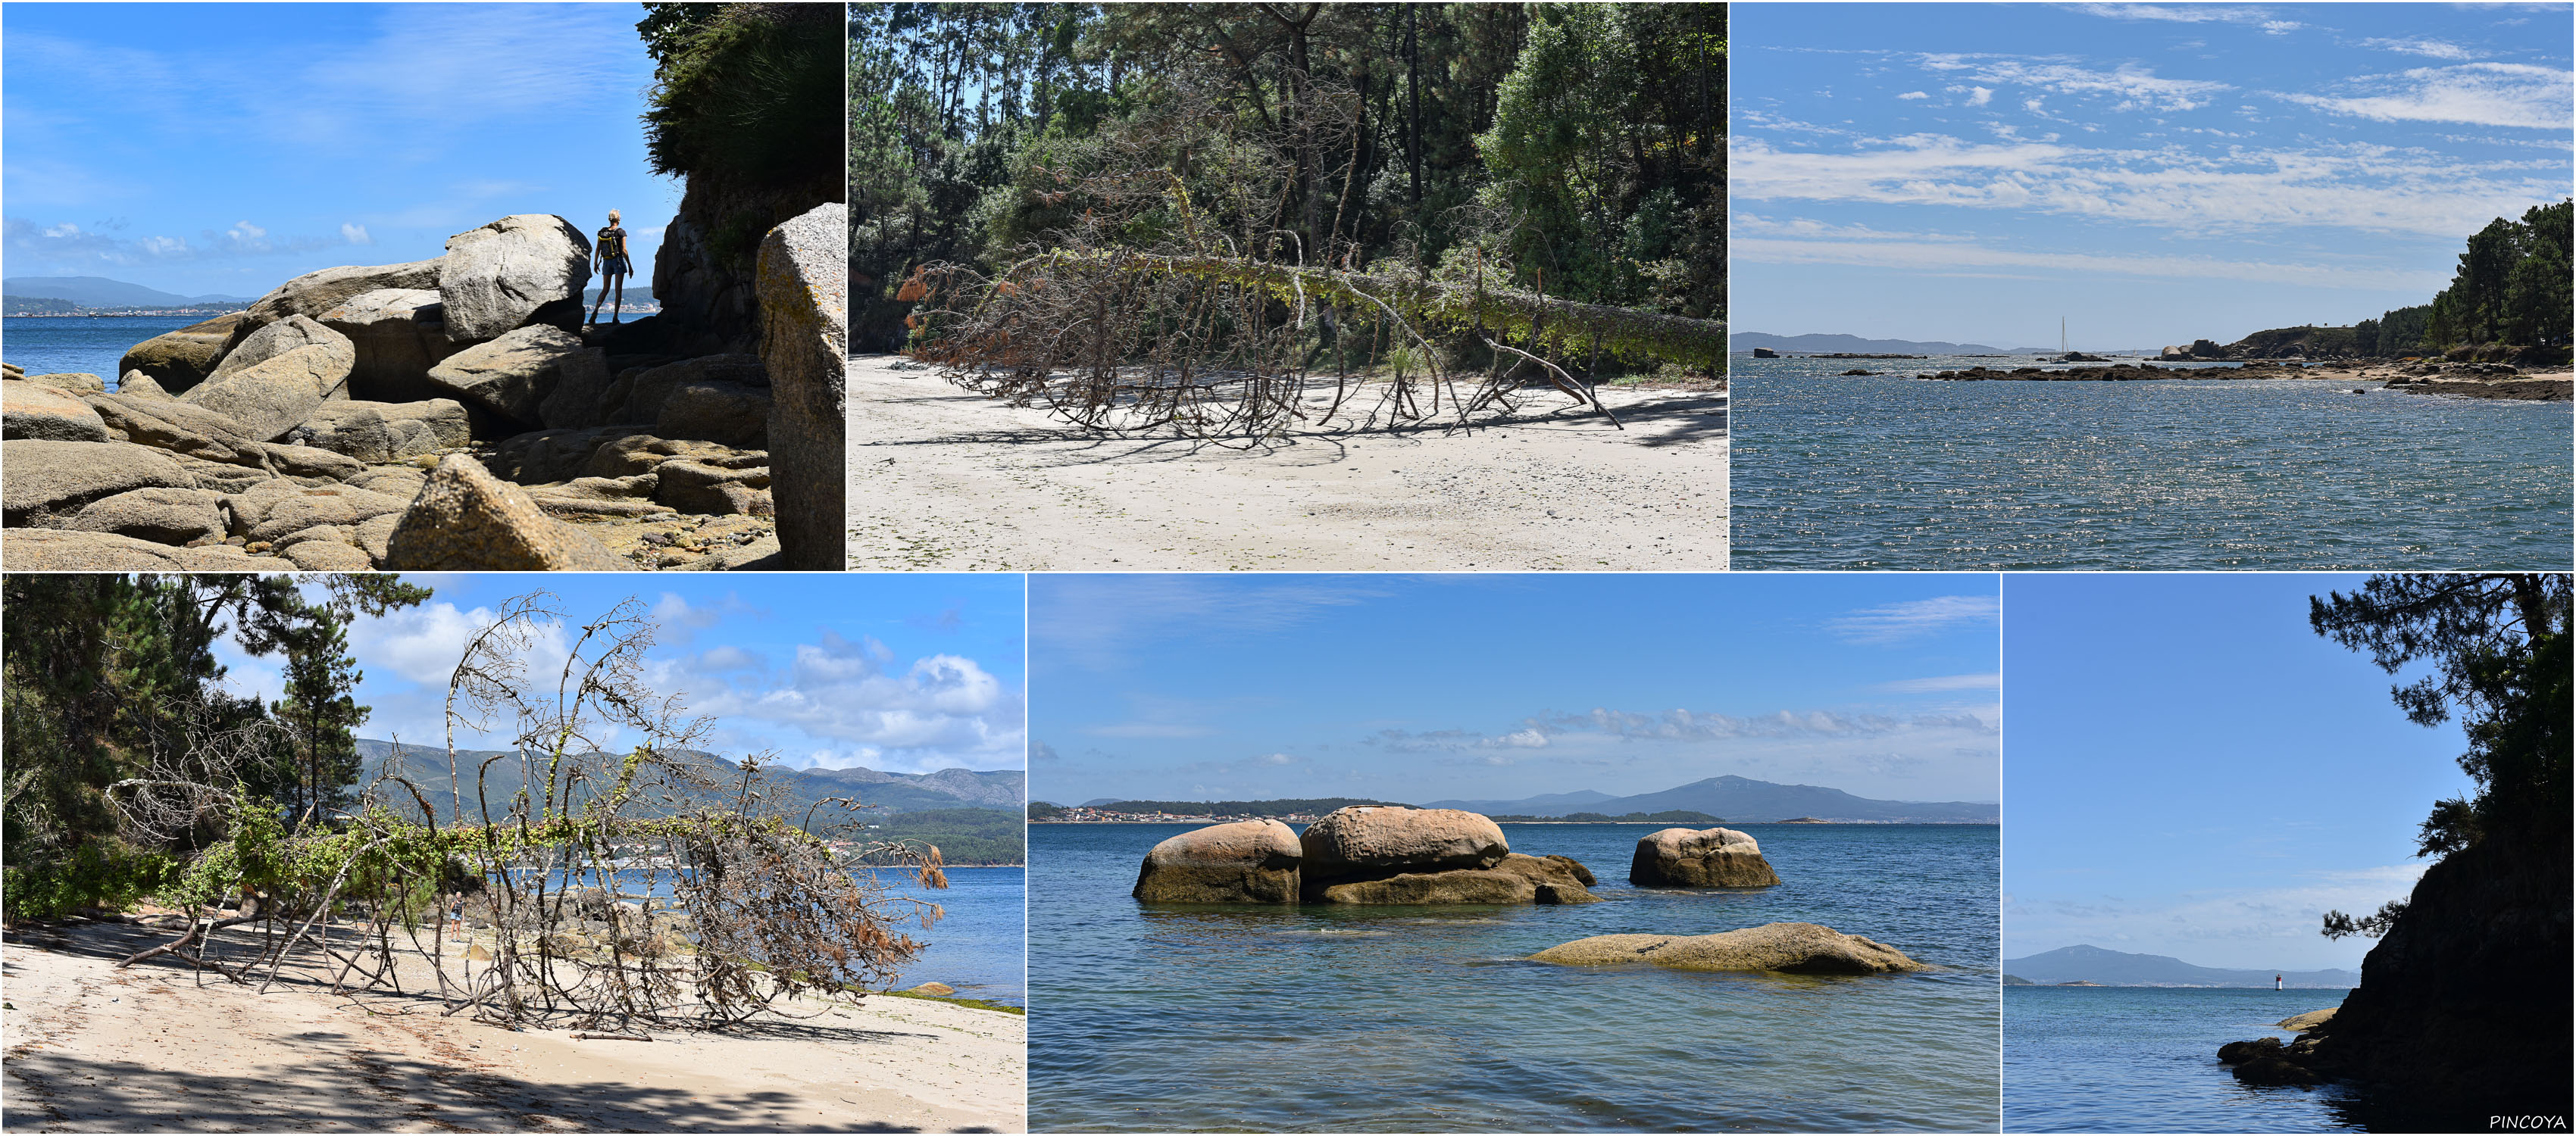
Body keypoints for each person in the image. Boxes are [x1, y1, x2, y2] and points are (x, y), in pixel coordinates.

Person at [588, 208, 631, 326]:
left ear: (609, 219)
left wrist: (595, 263)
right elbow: (624, 250)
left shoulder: (602, 232)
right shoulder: (621, 232)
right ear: (618, 219)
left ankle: (596, 311)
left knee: (605, 289)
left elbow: (598, 249)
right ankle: (615, 317)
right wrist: (630, 266)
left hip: (606, 262)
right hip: (617, 261)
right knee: (618, 291)